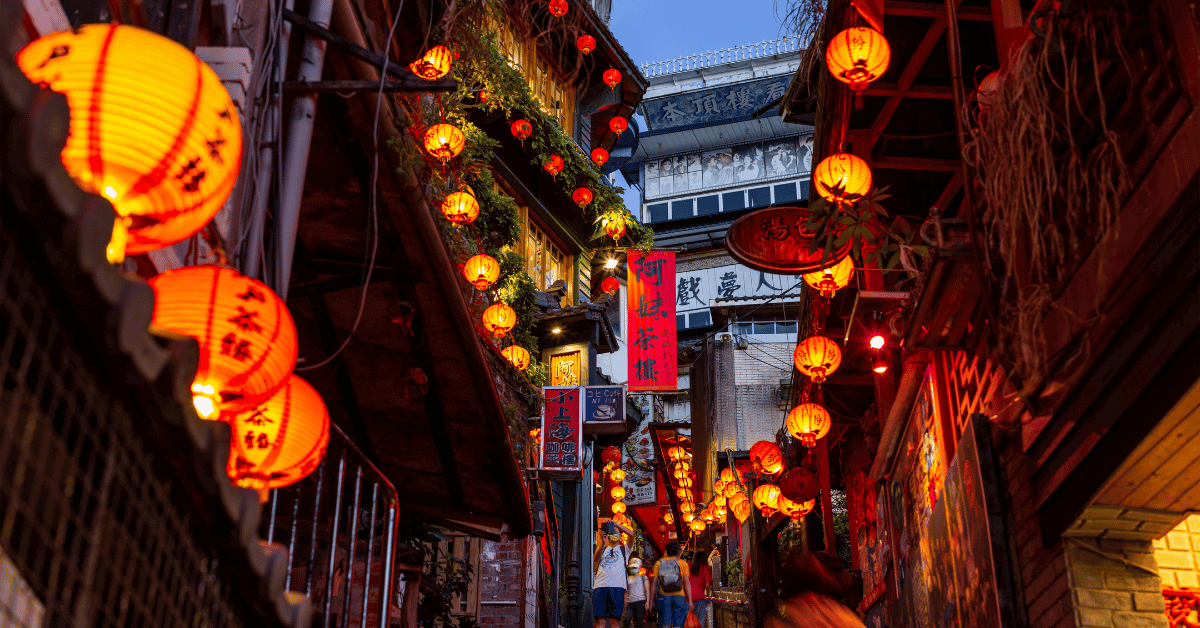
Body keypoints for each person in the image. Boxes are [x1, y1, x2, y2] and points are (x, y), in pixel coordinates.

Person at [593, 522, 633, 628]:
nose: (613, 533)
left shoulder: (624, 549)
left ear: (620, 536)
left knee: (614, 622)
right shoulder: (603, 548)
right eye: (612, 531)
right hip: (600, 586)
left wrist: (617, 525)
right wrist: (603, 542)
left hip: (617, 587)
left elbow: (632, 535)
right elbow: (596, 559)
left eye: (616, 532)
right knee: (600, 622)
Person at [646, 541, 691, 628]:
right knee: (678, 625)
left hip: (663, 597)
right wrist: (690, 600)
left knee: (665, 625)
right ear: (678, 551)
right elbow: (687, 583)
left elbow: (654, 584)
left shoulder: (659, 563)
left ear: (667, 551)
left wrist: (651, 601)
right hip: (679, 596)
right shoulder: (683, 563)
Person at [622, 557, 649, 628]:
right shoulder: (628, 579)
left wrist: (647, 602)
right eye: (632, 567)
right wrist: (624, 603)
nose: (633, 569)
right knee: (626, 620)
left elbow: (647, 590)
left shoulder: (643, 577)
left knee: (639, 622)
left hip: (640, 601)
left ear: (639, 567)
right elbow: (626, 591)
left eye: (635, 567)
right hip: (629, 602)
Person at [689, 552, 713, 626]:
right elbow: (707, 584)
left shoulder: (689, 566)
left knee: (690, 622)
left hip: (689, 599)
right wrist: (708, 596)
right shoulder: (705, 568)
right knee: (701, 623)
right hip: (700, 598)